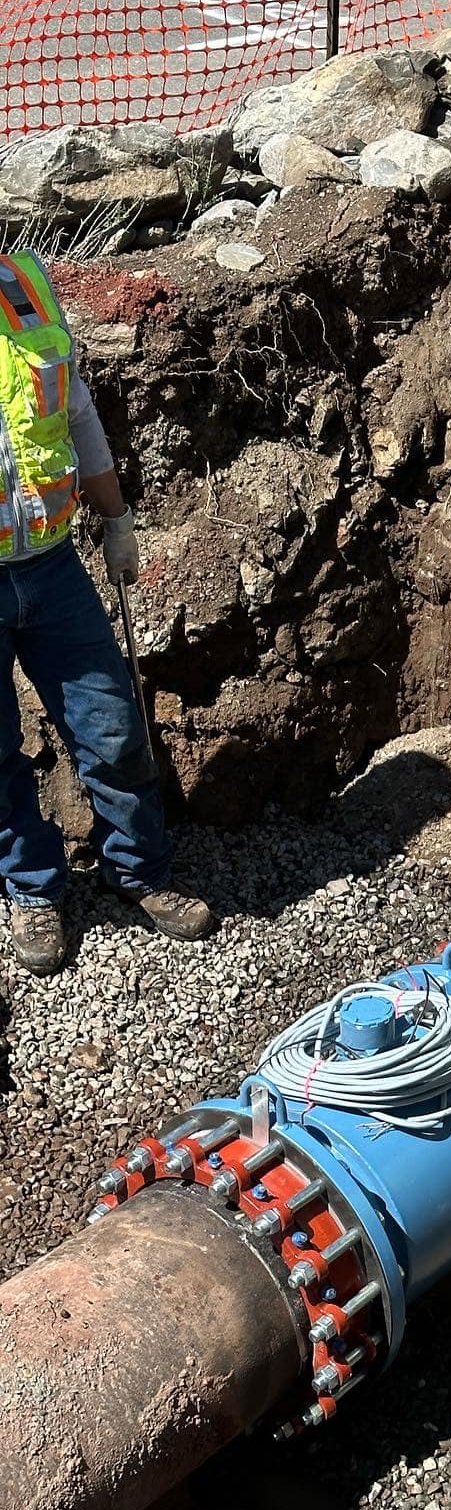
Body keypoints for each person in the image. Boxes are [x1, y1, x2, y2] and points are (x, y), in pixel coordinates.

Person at [0, 250, 211, 975]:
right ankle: (33, 889)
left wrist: (116, 519)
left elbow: (77, 407)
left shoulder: (26, 284)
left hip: (53, 563)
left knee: (112, 724)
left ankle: (141, 873)